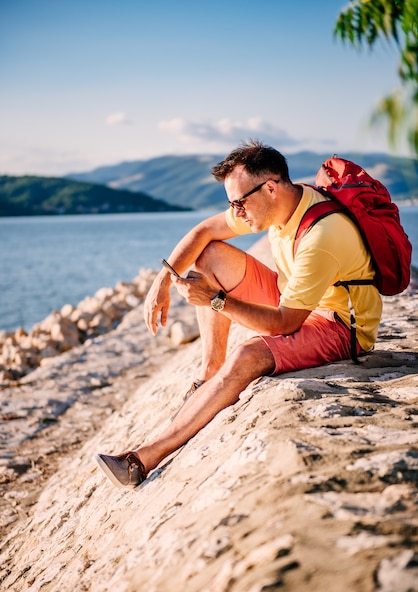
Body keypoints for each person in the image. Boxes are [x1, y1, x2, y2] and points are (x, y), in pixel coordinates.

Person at [96, 139, 382, 488]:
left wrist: (216, 300)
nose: (237, 211)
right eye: (231, 203)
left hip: (340, 327)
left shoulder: (322, 234)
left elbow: (285, 323)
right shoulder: (281, 203)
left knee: (248, 354)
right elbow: (205, 231)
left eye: (239, 202)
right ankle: (209, 376)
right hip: (298, 298)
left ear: (271, 187)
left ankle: (141, 459)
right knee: (210, 255)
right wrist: (162, 282)